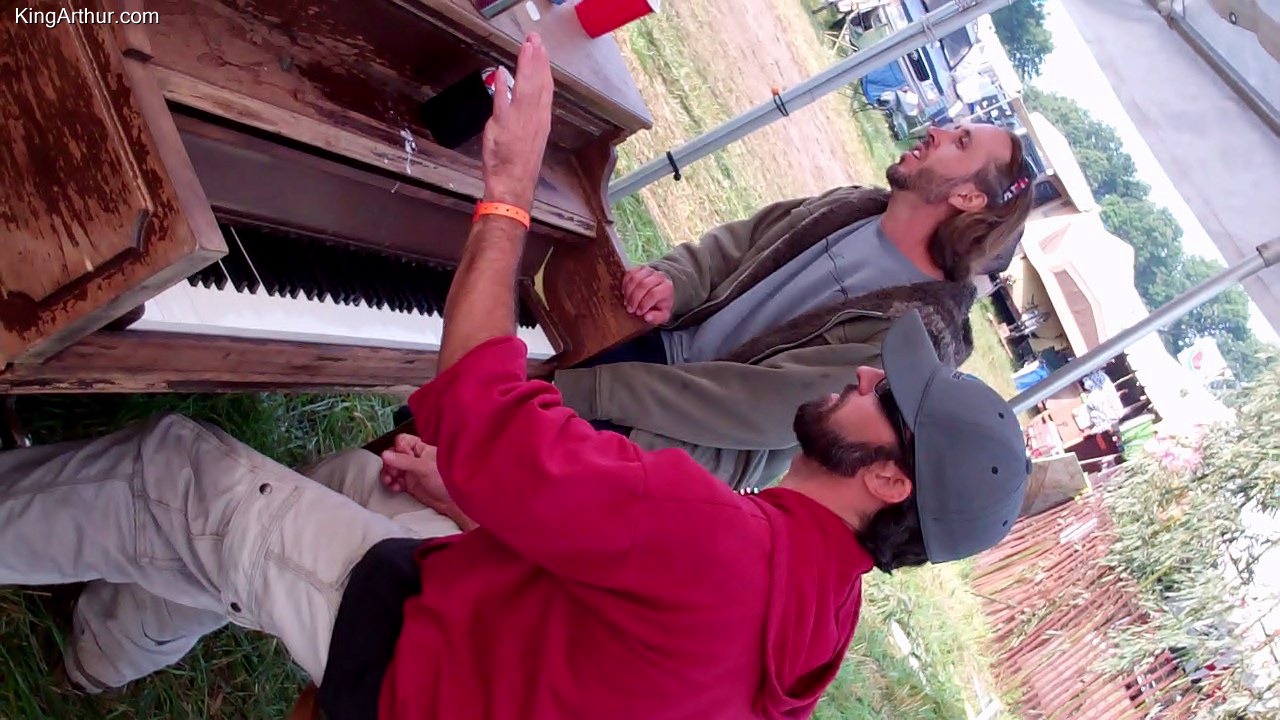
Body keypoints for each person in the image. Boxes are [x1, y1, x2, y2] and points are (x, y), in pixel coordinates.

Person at [0, 35, 1030, 720]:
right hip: (497, 659)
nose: (867, 371)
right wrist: (479, 503)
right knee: (350, 483)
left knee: (173, 472)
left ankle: (89, 599)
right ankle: (101, 651)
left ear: (886, 480)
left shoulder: (714, 531)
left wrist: (505, 191)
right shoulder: (819, 616)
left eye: (886, 396)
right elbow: (618, 623)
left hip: (413, 668)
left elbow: (482, 408)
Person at [550, 110, 1036, 490]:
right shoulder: (852, 206)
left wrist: (594, 391)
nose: (935, 131)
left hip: (678, 438)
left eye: (960, 142)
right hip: (651, 343)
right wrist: (675, 282)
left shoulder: (912, 336)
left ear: (969, 198)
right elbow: (738, 244)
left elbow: (760, 407)